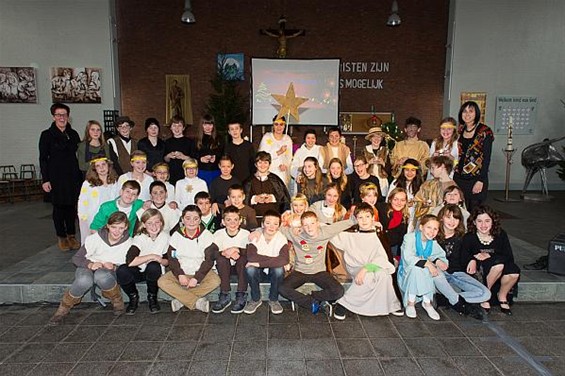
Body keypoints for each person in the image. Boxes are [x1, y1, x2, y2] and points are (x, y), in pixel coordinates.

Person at [49, 212, 131, 324]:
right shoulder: (95, 238)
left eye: (121, 228)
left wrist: (115, 266)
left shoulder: (129, 243)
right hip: (88, 264)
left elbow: (129, 264)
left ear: (126, 227)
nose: (117, 231)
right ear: (107, 225)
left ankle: (116, 299)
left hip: (107, 271)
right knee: (84, 280)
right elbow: (76, 258)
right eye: (113, 227)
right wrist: (90, 264)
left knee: (101, 276)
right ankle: (64, 307)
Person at [330, 203, 403, 320]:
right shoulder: (349, 234)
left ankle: (390, 305)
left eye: (367, 216)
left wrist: (366, 268)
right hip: (355, 266)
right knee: (368, 277)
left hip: (372, 266)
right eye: (360, 217)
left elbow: (381, 257)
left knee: (384, 275)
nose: (364, 220)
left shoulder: (378, 233)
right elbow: (330, 233)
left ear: (373, 218)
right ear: (355, 219)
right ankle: (344, 303)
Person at [277, 212, 356, 314]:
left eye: (312, 223)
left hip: (319, 272)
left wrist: (366, 222)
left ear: (318, 223)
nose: (310, 228)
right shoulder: (295, 233)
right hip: (300, 271)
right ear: (302, 226)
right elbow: (272, 228)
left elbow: (342, 225)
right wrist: (258, 231)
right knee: (282, 288)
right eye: (306, 225)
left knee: (338, 291)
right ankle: (312, 303)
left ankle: (314, 297)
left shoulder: (325, 232)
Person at [158, 205, 220, 313]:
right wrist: (180, 274)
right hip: (182, 271)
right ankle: (196, 301)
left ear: (200, 220)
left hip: (199, 270)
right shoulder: (176, 236)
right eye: (188, 218)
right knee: (162, 282)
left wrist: (197, 278)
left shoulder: (207, 236)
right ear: (182, 219)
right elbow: (172, 259)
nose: (191, 222)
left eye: (195, 219)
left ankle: (181, 299)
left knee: (215, 281)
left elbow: (209, 260)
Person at [39, 102, 83, 251]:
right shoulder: (46, 135)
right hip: (56, 177)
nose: (62, 117)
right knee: (59, 208)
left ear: (68, 117)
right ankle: (62, 237)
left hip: (72, 176)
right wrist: (45, 179)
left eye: (64, 115)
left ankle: (71, 235)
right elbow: (43, 158)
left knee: (71, 207)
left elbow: (80, 155)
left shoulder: (74, 134)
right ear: (53, 116)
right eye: (58, 115)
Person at [462, 205, 520, 315]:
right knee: (499, 266)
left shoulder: (500, 234)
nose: (483, 225)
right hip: (481, 270)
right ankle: (484, 295)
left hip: (498, 262)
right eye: (479, 221)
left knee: (513, 271)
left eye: (487, 221)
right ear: (474, 222)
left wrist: (490, 256)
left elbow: (508, 256)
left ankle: (502, 296)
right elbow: (464, 256)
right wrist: (472, 259)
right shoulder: (469, 237)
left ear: (493, 221)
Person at [435, 204, 491, 319]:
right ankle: (453, 300)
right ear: (441, 218)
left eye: (455, 218)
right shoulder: (434, 235)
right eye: (448, 217)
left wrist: (472, 260)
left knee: (486, 294)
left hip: (456, 274)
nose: (452, 221)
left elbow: (470, 252)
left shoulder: (463, 237)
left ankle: (446, 299)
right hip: (438, 275)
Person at [117, 209, 169, 314]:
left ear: (161, 223)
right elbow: (130, 261)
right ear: (144, 224)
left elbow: (167, 261)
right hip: (138, 270)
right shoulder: (139, 238)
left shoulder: (165, 237)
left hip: (153, 273)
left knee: (154, 265)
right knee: (122, 270)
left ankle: (152, 297)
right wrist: (152, 256)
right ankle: (133, 297)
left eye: (157, 222)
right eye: (149, 223)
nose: (154, 226)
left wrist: (160, 260)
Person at [397, 214, 448, 320]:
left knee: (423, 268)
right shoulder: (410, 238)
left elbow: (440, 257)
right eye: (429, 227)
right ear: (421, 227)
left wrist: (439, 261)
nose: (432, 231)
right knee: (418, 268)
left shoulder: (432, 243)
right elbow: (408, 257)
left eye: (435, 229)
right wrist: (428, 263)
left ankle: (426, 302)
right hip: (407, 272)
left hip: (424, 274)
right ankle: (413, 302)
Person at [244, 210, 290, 314]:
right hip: (259, 273)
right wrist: (273, 260)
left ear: (279, 226)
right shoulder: (256, 236)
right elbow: (251, 257)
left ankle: (273, 299)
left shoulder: (281, 238)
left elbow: (284, 259)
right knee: (250, 269)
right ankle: (255, 299)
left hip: (273, 273)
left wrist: (258, 263)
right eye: (268, 223)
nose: (271, 226)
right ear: (262, 224)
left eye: (275, 224)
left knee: (279, 269)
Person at [454, 101, 494, 212]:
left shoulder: (485, 132)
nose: (467, 114)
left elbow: (486, 158)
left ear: (476, 113)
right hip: (459, 177)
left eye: (470, 111)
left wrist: (480, 180)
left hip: (476, 179)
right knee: (459, 210)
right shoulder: (460, 130)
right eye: (464, 111)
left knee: (474, 211)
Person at [210, 206, 250, 314]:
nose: (232, 223)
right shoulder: (218, 234)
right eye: (228, 220)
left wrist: (238, 250)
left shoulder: (246, 234)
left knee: (243, 259)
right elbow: (210, 253)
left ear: (240, 220)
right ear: (223, 222)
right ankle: (225, 293)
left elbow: (253, 252)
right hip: (224, 268)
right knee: (221, 258)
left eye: (235, 219)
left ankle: (241, 293)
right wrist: (223, 252)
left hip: (240, 268)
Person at [78, 157, 119, 244]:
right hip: (94, 217)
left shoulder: (114, 182)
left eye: (103, 164)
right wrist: (83, 218)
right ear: (94, 169)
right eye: (98, 166)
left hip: (110, 216)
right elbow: (82, 202)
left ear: (108, 166)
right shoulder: (88, 184)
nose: (101, 168)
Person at [243, 151, 290, 219]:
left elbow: (284, 198)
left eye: (265, 163)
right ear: (255, 164)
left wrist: (273, 198)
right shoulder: (248, 181)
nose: (262, 165)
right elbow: (242, 200)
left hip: (273, 218)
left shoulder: (275, 180)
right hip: (254, 218)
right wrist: (254, 199)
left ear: (269, 164)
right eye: (260, 162)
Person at [413, 156, 455, 227]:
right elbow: (417, 199)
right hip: (426, 221)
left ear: (442, 166)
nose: (431, 172)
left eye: (433, 168)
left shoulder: (453, 188)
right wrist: (423, 204)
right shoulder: (428, 184)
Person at [388, 158, 424, 231]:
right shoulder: (396, 183)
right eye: (407, 170)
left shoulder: (421, 185)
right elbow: (389, 200)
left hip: (414, 218)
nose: (409, 173)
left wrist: (416, 203)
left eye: (413, 170)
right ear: (403, 171)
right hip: (398, 217)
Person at [259, 115, 293, 186]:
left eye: (281, 124)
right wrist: (279, 152)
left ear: (284, 126)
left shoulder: (287, 139)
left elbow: (289, 157)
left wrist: (286, 165)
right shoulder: (267, 137)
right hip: (268, 172)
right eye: (276, 124)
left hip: (282, 174)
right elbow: (262, 157)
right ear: (273, 125)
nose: (279, 127)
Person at [291, 129, 324, 194]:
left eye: (313, 138)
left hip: (316, 181)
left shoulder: (320, 149)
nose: (310, 140)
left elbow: (321, 166)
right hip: (302, 181)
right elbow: (293, 168)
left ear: (316, 139)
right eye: (308, 138)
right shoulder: (299, 151)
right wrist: (301, 170)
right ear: (305, 139)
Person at [193, 114, 223, 186]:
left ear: (213, 126)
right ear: (201, 125)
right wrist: (200, 158)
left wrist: (216, 157)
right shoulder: (197, 140)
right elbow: (192, 154)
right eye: (205, 124)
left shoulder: (219, 139)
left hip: (216, 170)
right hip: (202, 171)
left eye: (210, 124)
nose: (208, 127)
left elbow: (223, 153)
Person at [164, 116, 193, 185]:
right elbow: (165, 159)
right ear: (170, 128)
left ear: (183, 128)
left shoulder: (190, 142)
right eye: (174, 126)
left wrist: (184, 157)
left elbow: (194, 160)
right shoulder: (167, 142)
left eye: (179, 126)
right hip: (171, 174)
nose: (177, 128)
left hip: (185, 174)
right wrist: (168, 156)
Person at [363, 126, 391, 197]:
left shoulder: (385, 151)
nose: (376, 139)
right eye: (374, 137)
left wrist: (383, 163)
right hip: (369, 180)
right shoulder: (365, 150)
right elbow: (360, 167)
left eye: (378, 137)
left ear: (381, 139)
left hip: (382, 181)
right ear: (370, 139)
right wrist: (369, 163)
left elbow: (390, 170)